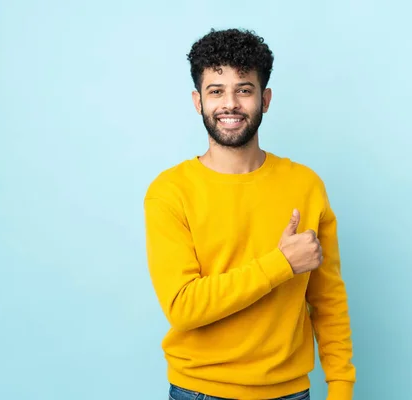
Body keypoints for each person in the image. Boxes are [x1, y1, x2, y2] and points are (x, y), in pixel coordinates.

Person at [144, 28, 356, 400]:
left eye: (244, 89)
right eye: (216, 91)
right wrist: (281, 264)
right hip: (200, 391)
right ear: (198, 101)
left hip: (290, 392)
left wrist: (340, 388)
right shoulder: (170, 191)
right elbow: (183, 306)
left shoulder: (305, 185)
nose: (230, 103)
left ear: (265, 98)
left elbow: (329, 301)